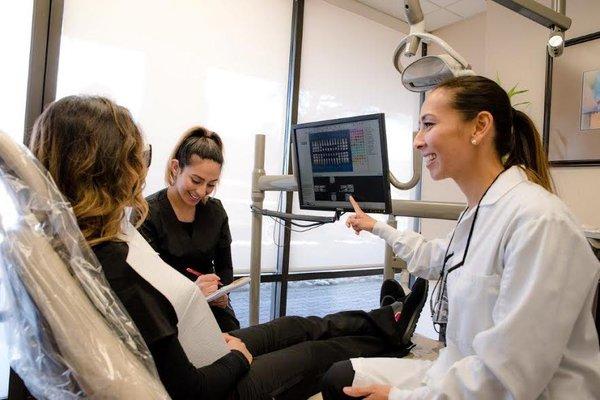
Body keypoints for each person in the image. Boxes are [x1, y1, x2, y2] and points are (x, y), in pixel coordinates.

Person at [28, 95, 429, 400]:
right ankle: (395, 340)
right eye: (139, 158)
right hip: (210, 379)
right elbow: (192, 389)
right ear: (114, 170)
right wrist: (237, 357)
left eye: (211, 185)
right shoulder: (117, 259)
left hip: (198, 340)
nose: (142, 169)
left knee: (294, 326)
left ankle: (388, 320)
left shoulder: (77, 245)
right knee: (316, 353)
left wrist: (221, 327)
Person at [322, 76, 600, 400]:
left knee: (351, 390)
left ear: (480, 127)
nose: (418, 141)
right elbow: (436, 258)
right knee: (340, 377)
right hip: (458, 371)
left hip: (511, 391)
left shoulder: (539, 222)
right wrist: (376, 227)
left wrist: (400, 397)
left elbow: (508, 377)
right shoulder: (478, 212)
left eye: (428, 124)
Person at [140, 127, 240, 331]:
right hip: (167, 309)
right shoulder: (148, 213)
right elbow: (145, 284)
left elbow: (225, 268)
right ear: (176, 168)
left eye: (211, 184)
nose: (202, 192)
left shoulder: (216, 211)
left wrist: (222, 292)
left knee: (234, 345)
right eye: (196, 180)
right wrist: (193, 293)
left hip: (212, 305)